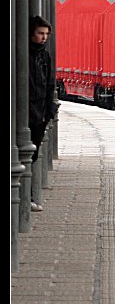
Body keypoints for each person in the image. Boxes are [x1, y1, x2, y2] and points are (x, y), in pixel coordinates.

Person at [28, 15, 58, 212]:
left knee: (32, 155)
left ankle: (28, 196)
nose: (44, 37)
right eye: (40, 33)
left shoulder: (44, 57)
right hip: (27, 113)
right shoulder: (24, 54)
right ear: (31, 33)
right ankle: (27, 196)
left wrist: (48, 113)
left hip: (40, 114)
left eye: (46, 34)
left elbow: (49, 85)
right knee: (26, 155)